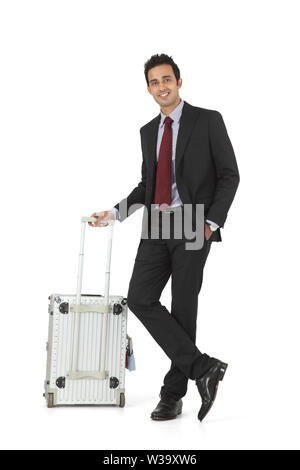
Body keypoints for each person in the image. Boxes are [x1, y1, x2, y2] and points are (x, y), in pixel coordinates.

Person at [89, 53, 240, 422]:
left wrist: (211, 223)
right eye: (155, 82)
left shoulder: (207, 120)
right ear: (148, 88)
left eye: (167, 79)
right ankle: (203, 368)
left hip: (192, 222)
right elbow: (147, 185)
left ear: (179, 81)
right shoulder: (147, 131)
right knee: (140, 298)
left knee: (183, 307)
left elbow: (229, 175)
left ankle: (172, 395)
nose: (162, 86)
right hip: (157, 224)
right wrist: (115, 213)